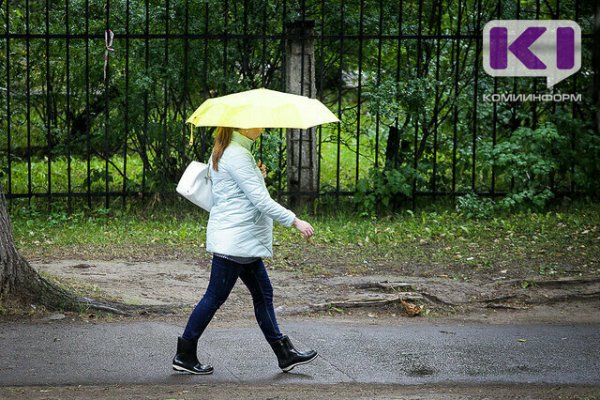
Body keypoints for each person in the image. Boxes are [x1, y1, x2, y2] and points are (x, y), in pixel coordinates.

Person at [172, 127, 319, 375]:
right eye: (257, 122)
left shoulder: (227, 150)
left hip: (239, 239)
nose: (261, 126)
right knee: (215, 297)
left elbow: (235, 192)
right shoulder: (238, 155)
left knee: (263, 293)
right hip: (235, 240)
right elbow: (260, 201)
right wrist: (295, 221)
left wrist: (257, 176)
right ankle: (184, 354)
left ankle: (285, 354)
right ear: (242, 127)